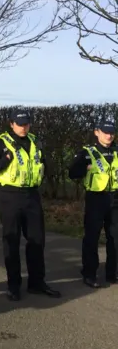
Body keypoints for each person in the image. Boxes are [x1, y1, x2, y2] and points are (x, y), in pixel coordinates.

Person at [0, 109, 61, 301]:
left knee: (37, 240)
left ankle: (36, 283)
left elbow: (43, 163)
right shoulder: (0, 143)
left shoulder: (35, 141)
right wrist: (5, 159)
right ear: (11, 124)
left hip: (31, 195)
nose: (24, 127)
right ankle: (13, 285)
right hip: (10, 195)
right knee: (12, 241)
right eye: (20, 124)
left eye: (26, 123)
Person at [68, 119, 118, 288]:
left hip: (116, 199)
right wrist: (84, 167)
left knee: (115, 238)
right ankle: (89, 273)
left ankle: (113, 273)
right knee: (92, 237)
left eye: (112, 132)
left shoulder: (117, 151)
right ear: (97, 132)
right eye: (105, 132)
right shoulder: (87, 152)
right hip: (96, 199)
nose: (109, 135)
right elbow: (72, 173)